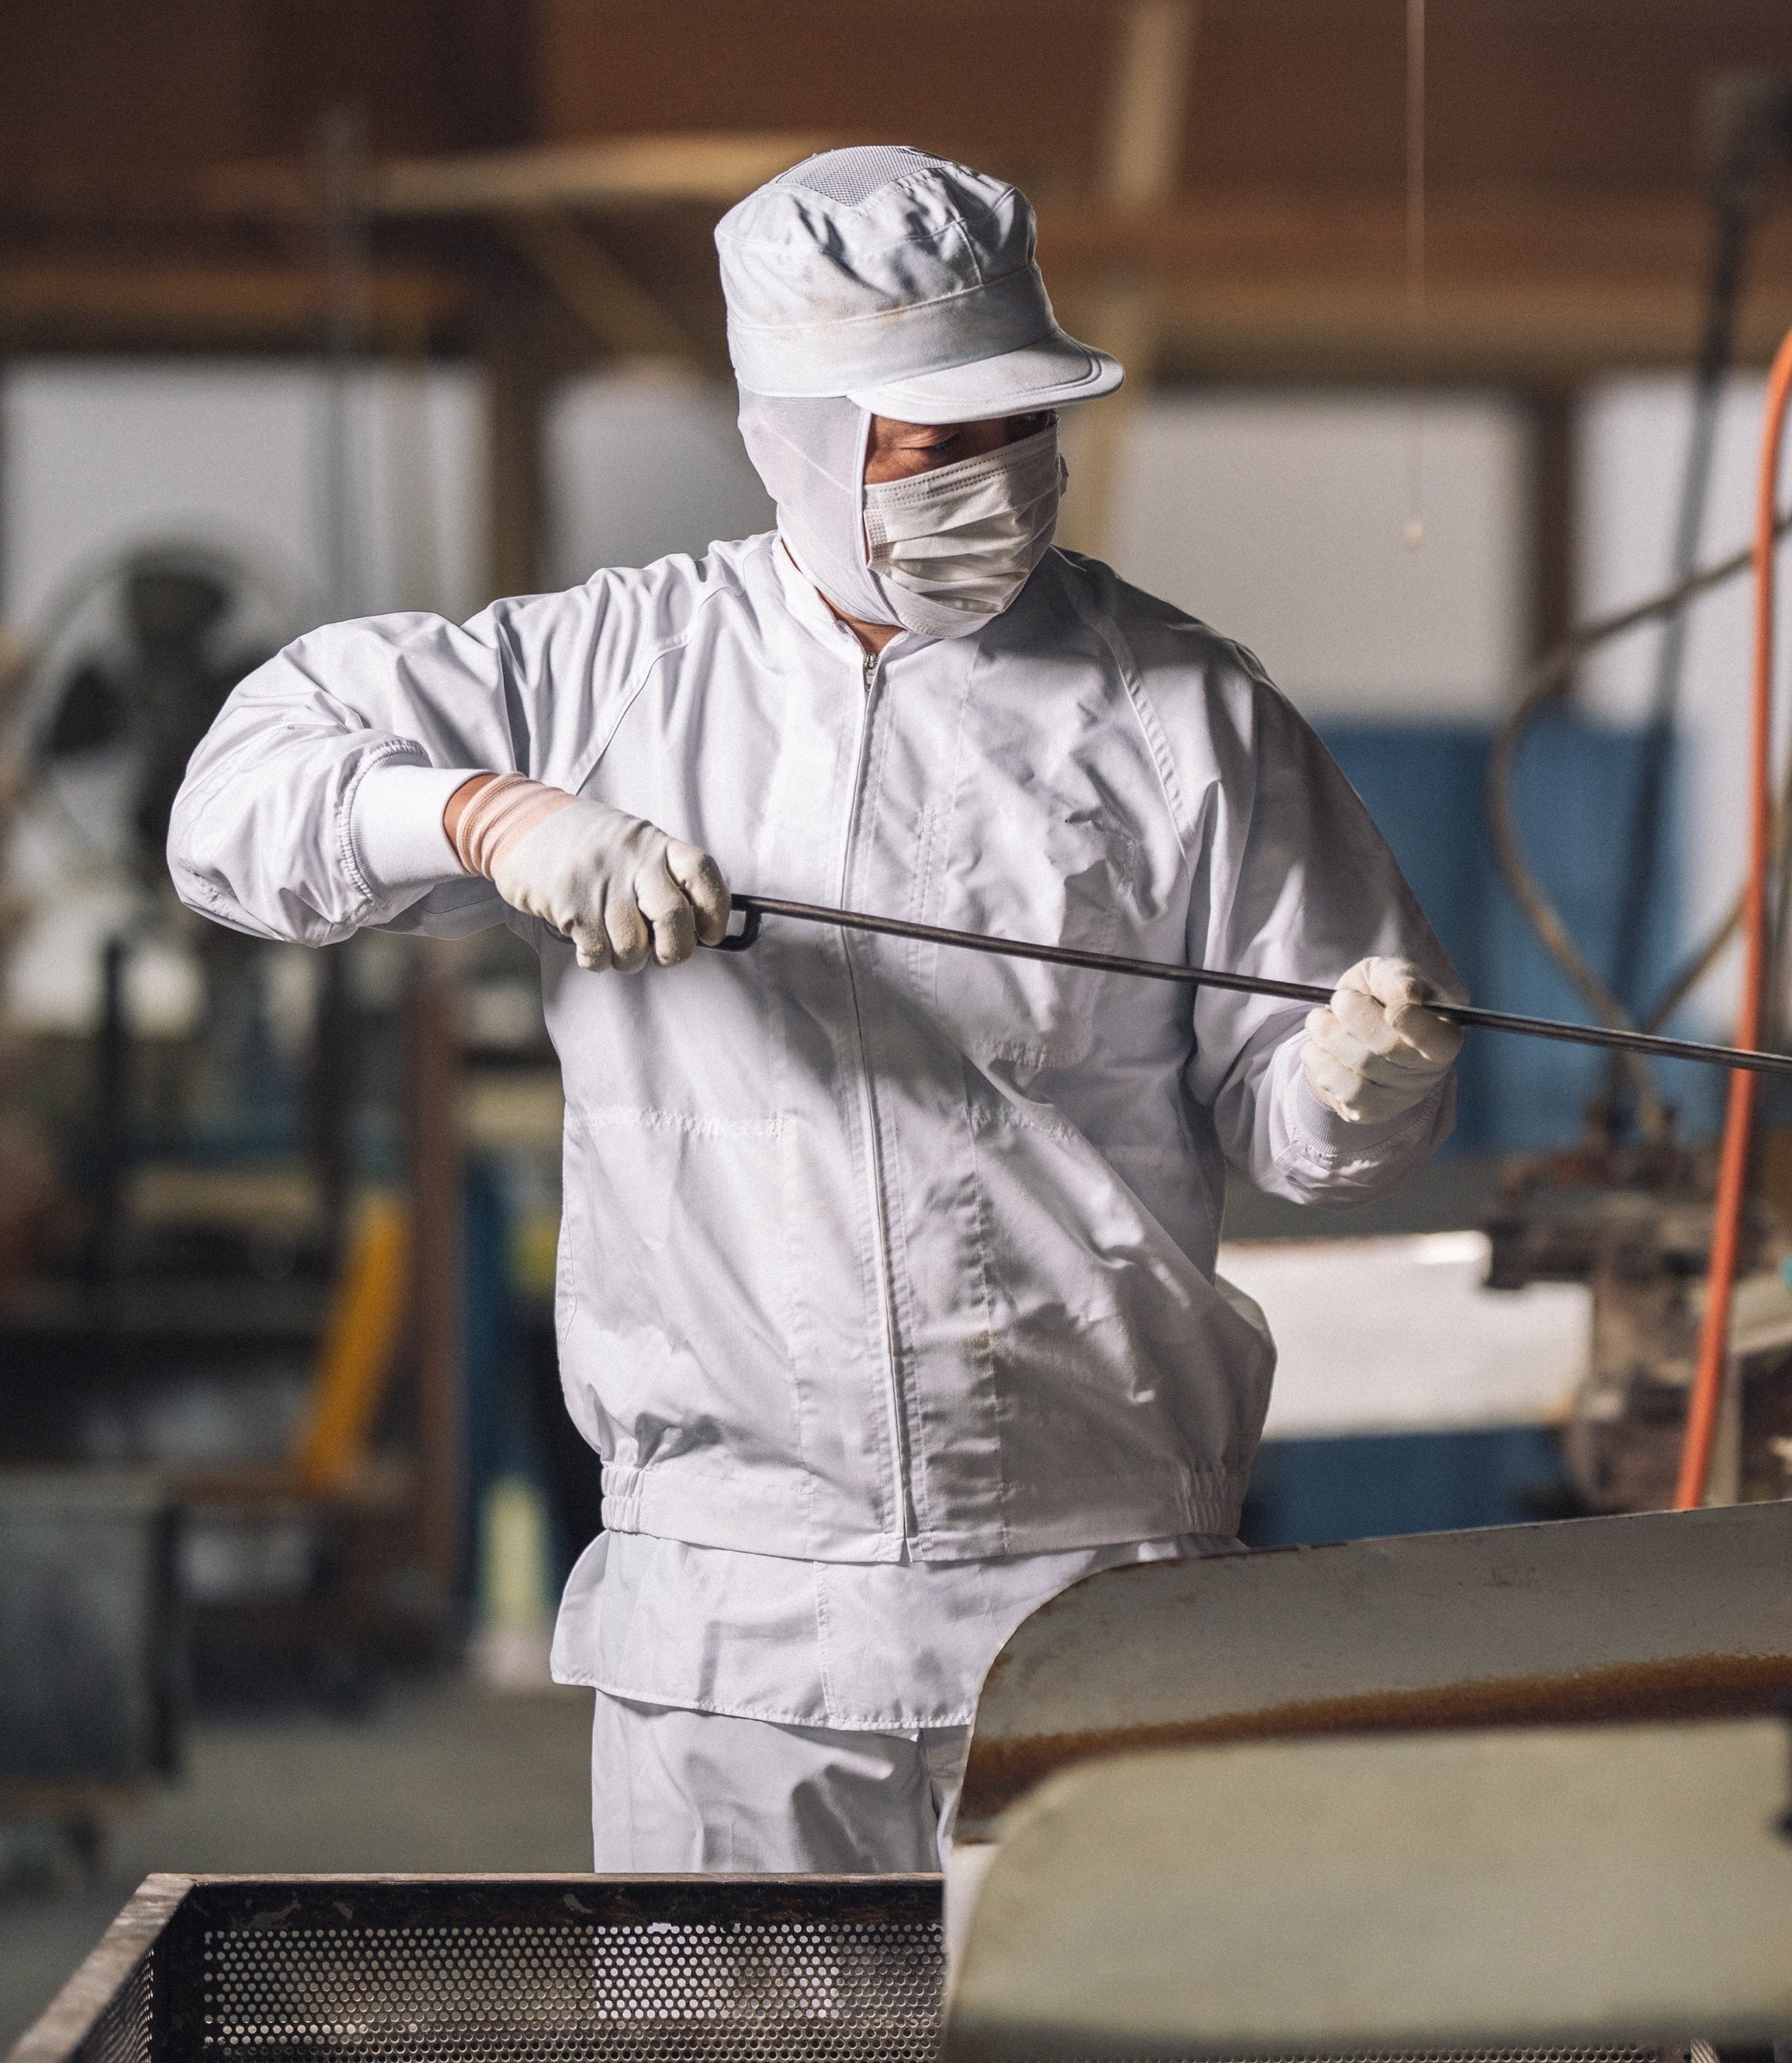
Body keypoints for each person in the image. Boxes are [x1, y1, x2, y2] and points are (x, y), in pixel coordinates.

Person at [167, 144, 1464, 1872]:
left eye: (1019, 430)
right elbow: (233, 806)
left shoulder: (1184, 718)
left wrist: (1360, 1082)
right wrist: (491, 816)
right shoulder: (608, 675)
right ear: (798, 441)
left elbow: (1307, 1140)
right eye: (932, 446)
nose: (993, 482)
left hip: (1099, 1600)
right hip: (738, 1630)